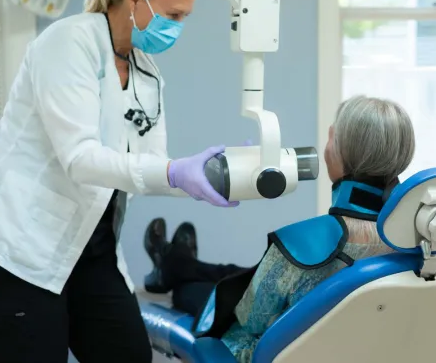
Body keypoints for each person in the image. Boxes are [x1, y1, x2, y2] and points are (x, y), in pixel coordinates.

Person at [0, 0, 239, 363]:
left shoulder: (147, 73)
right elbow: (82, 159)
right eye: (173, 15)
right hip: (24, 247)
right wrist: (176, 172)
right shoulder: (70, 43)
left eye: (184, 19)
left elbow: (155, 167)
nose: (177, 28)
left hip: (92, 248)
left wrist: (215, 175)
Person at [143, 95, 416, 362]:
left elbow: (251, 319)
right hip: (371, 349)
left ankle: (173, 266)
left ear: (341, 153)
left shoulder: (302, 246)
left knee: (190, 292)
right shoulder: (415, 247)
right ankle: (176, 262)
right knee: (234, 274)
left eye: (333, 137)